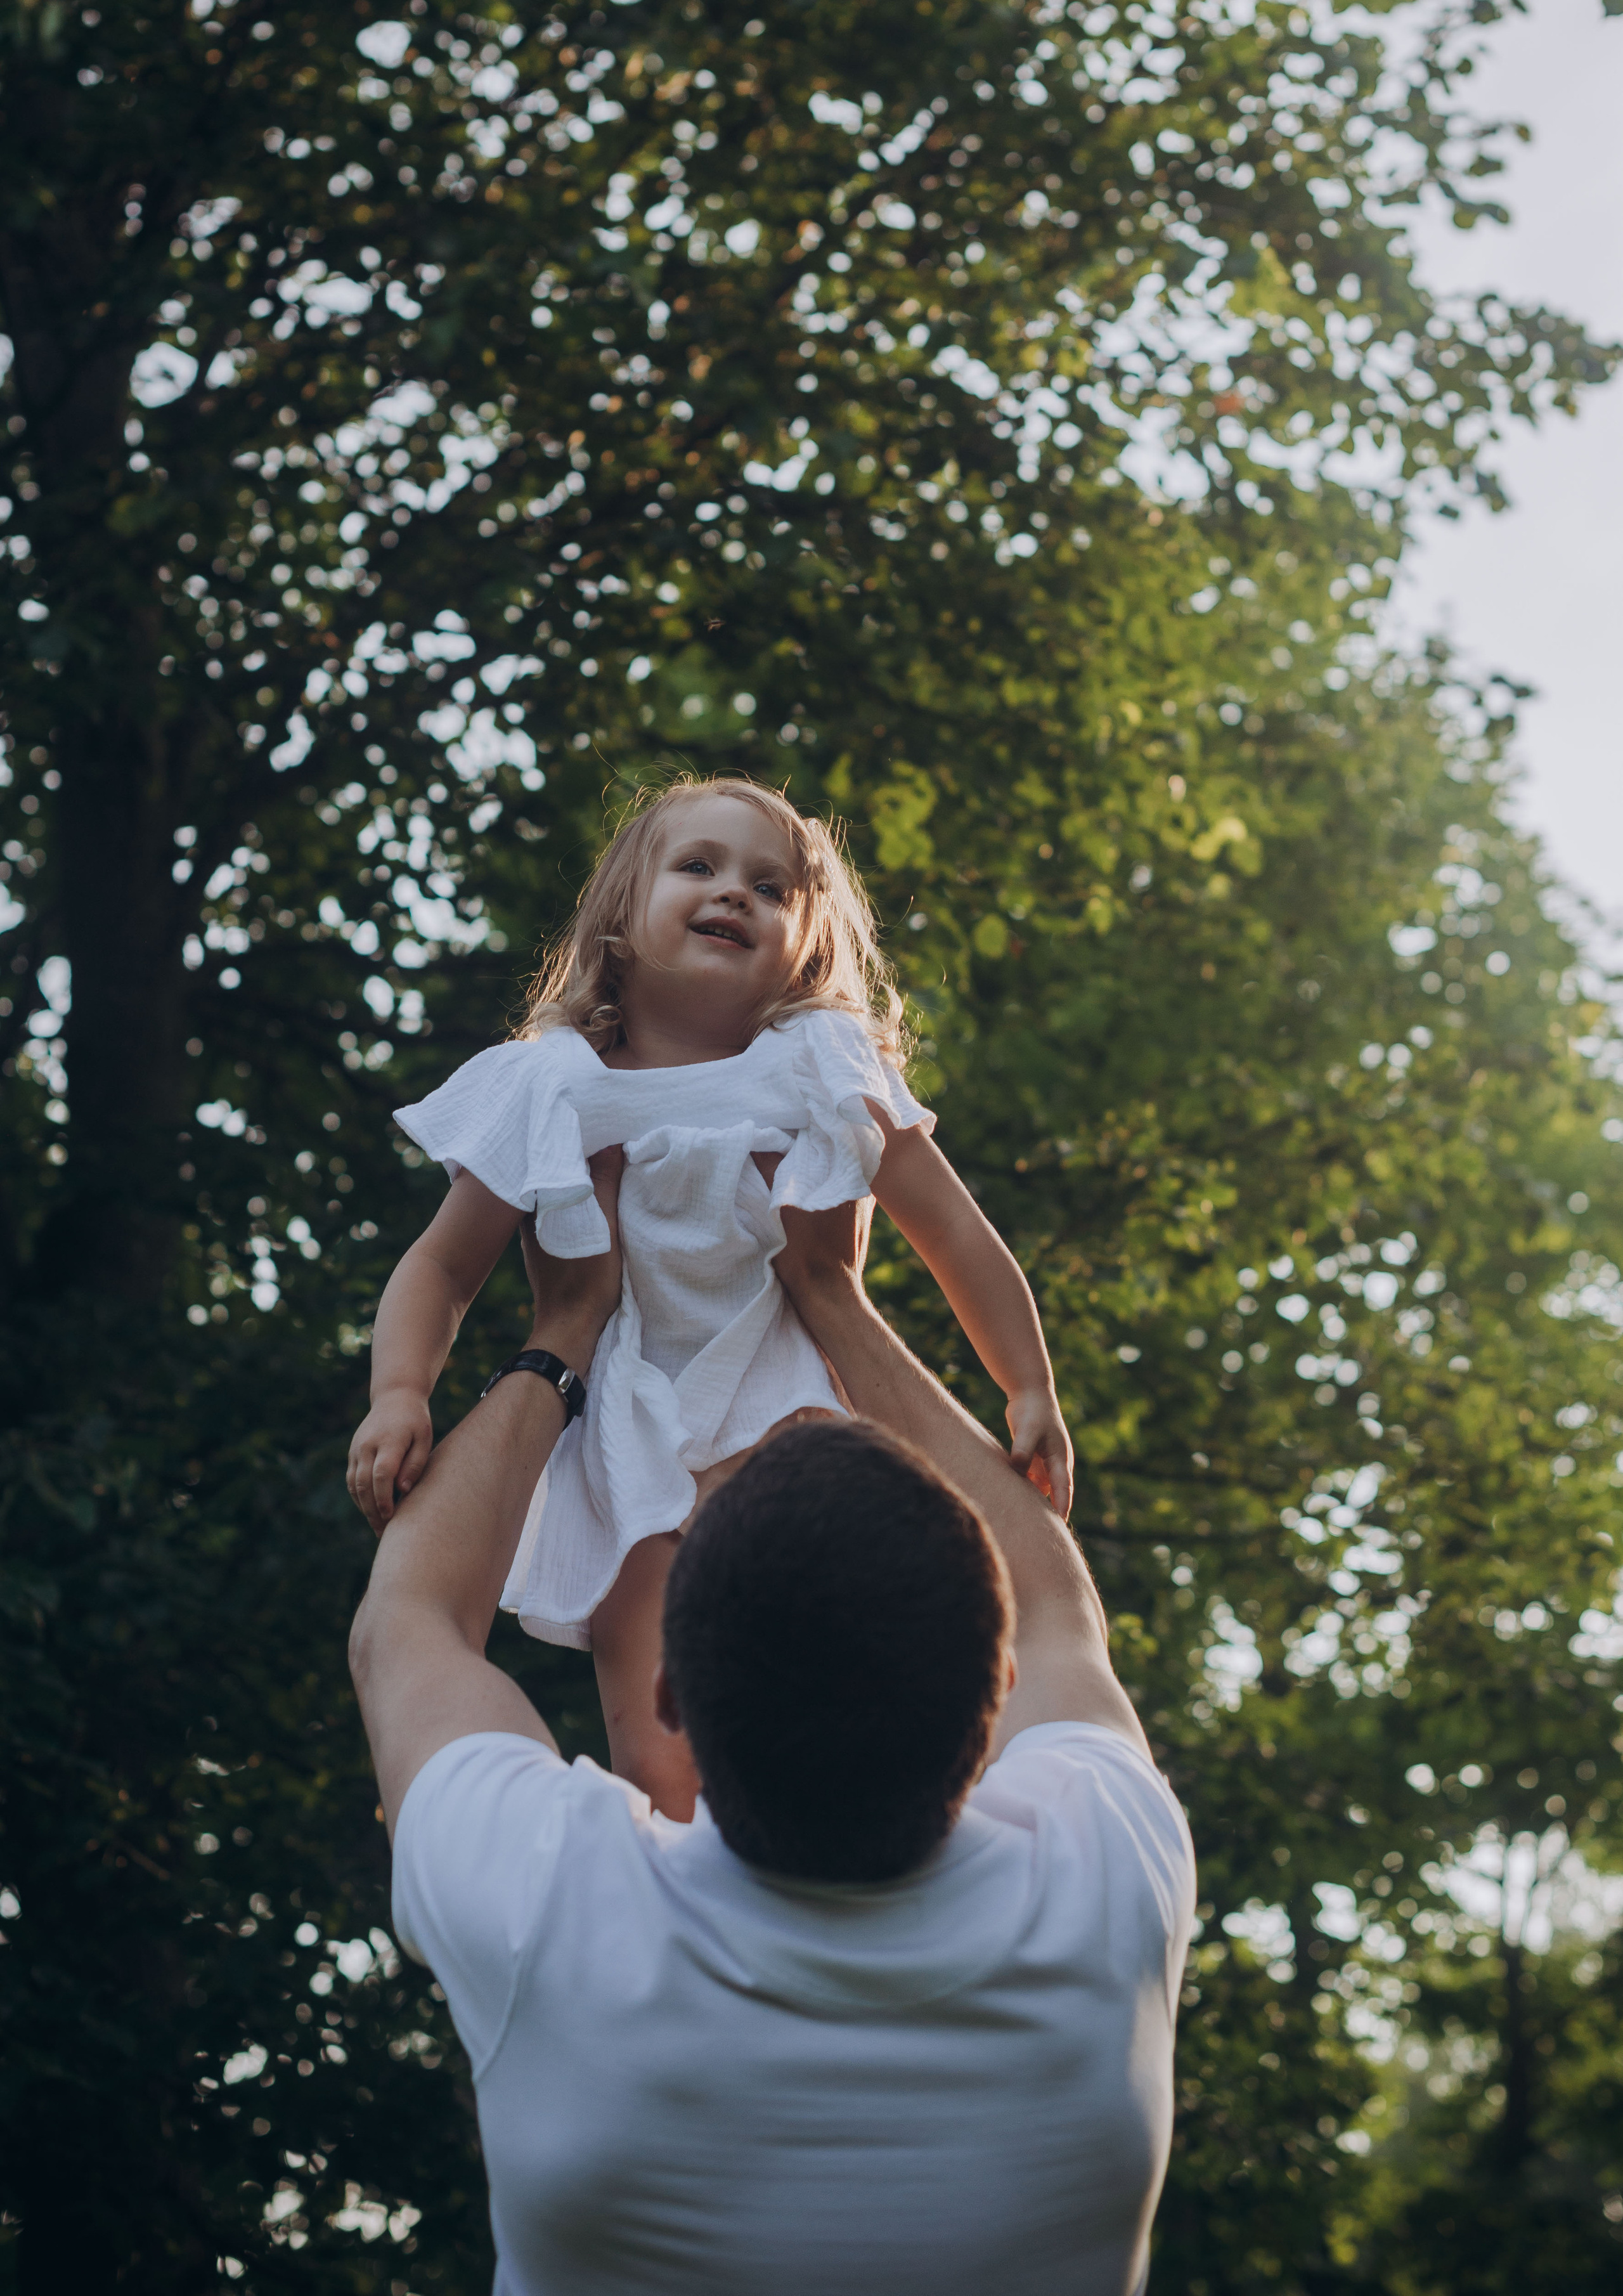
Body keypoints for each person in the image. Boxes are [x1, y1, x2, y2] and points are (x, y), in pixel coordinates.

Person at [349, 1155, 1196, 2296]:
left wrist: (567, 1327)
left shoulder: (549, 1907)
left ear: (668, 1694)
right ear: (994, 1691)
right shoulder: (1106, 1884)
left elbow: (408, 1621)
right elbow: (1056, 1606)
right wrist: (833, 1298)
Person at [347, 776, 1073, 1812]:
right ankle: (693, 1871)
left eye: (772, 887)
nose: (736, 892)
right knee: (661, 1752)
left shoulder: (819, 1065)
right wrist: (400, 1391)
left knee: (834, 1693)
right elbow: (441, 1266)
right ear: (621, 912)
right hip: (628, 1433)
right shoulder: (554, 1085)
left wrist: (1028, 1384)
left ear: (807, 942)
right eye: (699, 866)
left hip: (789, 1411)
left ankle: (849, 1845)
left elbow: (955, 1230)